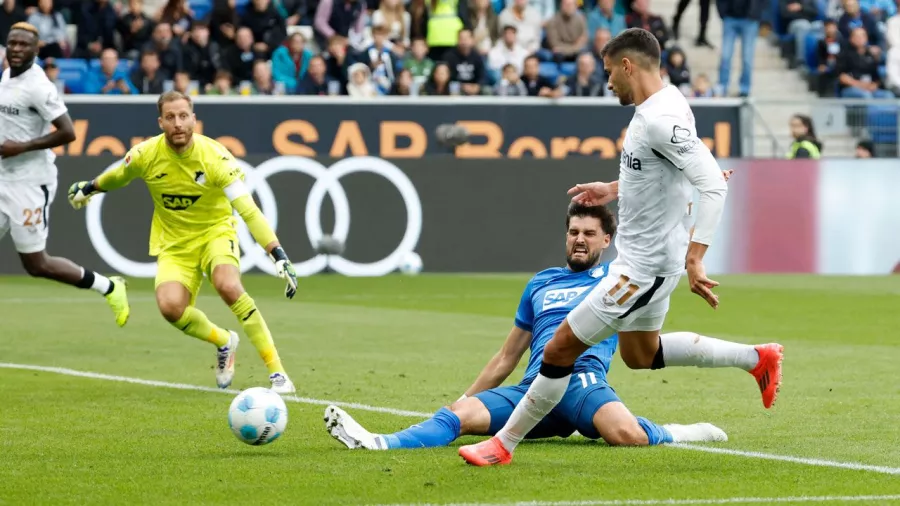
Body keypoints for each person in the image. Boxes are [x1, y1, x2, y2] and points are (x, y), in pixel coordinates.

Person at [459, 28, 783, 467]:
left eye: (611, 72)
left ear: (628, 66)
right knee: (639, 355)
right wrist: (613, 189)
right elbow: (661, 174)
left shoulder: (658, 119)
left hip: (641, 272)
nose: (608, 81)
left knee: (557, 350)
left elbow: (711, 185)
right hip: (650, 264)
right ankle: (755, 358)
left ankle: (503, 445)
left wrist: (696, 256)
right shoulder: (663, 107)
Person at [324, 203, 728, 452]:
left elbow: (662, 248)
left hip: (582, 384)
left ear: (607, 240)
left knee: (625, 435)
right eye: (573, 233)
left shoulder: (617, 280)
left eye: (589, 234)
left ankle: (682, 432)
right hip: (533, 389)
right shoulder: (540, 283)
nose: (580, 241)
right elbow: (506, 356)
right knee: (458, 417)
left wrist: (697, 205)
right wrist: (463, 399)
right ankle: (378, 442)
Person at [66, 91, 300, 394]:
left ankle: (277, 373)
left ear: (194, 119)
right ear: (161, 122)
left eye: (183, 116)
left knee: (228, 286)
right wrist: (91, 187)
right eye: (171, 117)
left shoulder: (215, 157)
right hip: (174, 243)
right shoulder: (145, 155)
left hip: (215, 233)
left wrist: (277, 253)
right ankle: (224, 341)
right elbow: (119, 176)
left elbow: (248, 210)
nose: (178, 123)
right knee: (170, 308)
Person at [0, 22, 130, 327]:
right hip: (3, 177)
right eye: (12, 44)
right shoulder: (6, 76)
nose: (16, 50)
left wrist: (22, 147)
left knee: (36, 264)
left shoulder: (39, 87)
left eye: (23, 45)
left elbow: (68, 132)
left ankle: (109, 287)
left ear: (37, 49)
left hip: (29, 183)